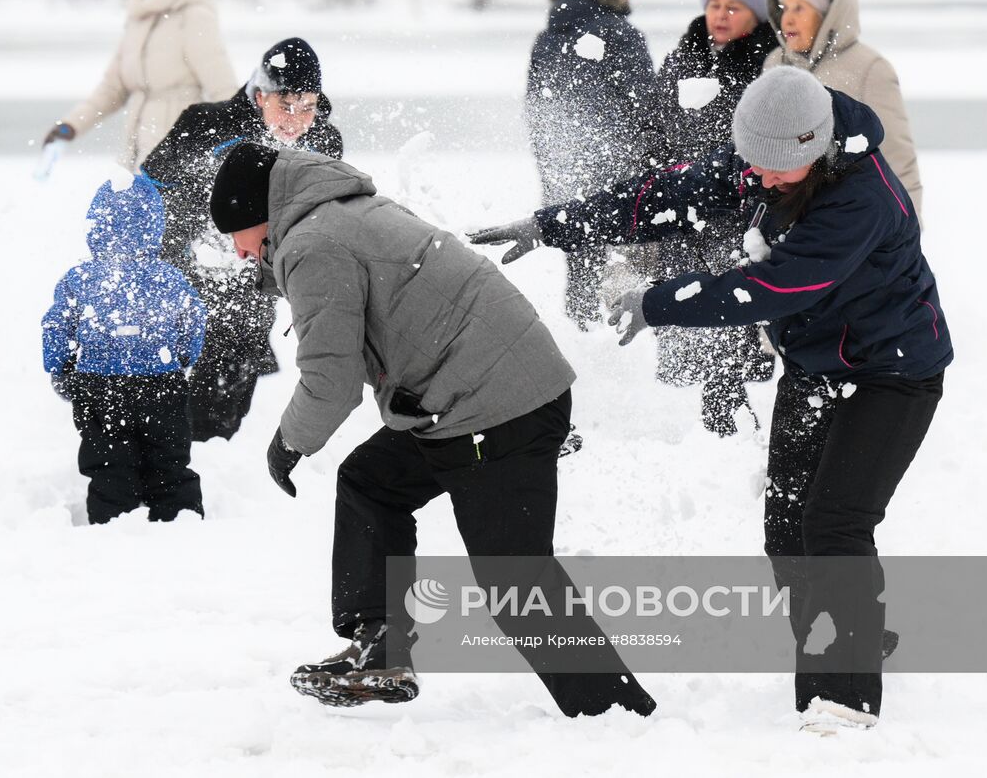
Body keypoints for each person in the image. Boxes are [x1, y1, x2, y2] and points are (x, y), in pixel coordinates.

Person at [470, 67, 951, 731]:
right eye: (754, 164)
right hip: (818, 364)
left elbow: (771, 288)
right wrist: (555, 225)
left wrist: (657, 302)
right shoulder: (773, 155)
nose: (760, 178)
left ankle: (842, 694)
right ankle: (851, 633)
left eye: (776, 170)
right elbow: (668, 195)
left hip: (894, 373)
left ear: (816, 150)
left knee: (835, 522)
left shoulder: (860, 198)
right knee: (787, 528)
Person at [208, 143, 657, 719]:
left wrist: (289, 441)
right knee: (372, 481)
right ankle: (381, 648)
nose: (240, 253)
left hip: (491, 408)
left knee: (515, 582)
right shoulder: (341, 210)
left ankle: (615, 715)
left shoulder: (311, 243)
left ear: (257, 216)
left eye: (237, 237)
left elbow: (333, 377)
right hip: (480, 396)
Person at [141, 37, 343, 443]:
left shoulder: (324, 142)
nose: (296, 120)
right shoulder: (206, 124)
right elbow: (148, 190)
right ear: (260, 94)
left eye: (308, 108)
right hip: (188, 267)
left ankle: (215, 454)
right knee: (178, 387)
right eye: (286, 106)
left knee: (235, 369)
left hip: (257, 276)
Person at [637, 0, 780, 436]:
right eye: (715, 4)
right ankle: (682, 433)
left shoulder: (770, 63)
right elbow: (653, 128)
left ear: (756, 13)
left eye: (734, 6)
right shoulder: (685, 55)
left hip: (739, 215)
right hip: (681, 212)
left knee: (732, 315)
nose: (721, 14)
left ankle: (732, 425)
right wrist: (662, 177)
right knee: (680, 312)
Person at [42, 172, 207, 524]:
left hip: (98, 385)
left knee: (108, 461)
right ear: (156, 226)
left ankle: (111, 520)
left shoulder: (80, 278)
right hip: (161, 383)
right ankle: (180, 519)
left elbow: (56, 325)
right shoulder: (170, 277)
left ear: (95, 225)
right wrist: (182, 356)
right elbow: (193, 320)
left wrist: (59, 367)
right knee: (169, 459)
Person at [525, 0, 655, 327]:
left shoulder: (549, 35)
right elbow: (645, 109)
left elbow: (539, 110)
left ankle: (581, 342)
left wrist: (552, 168)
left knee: (582, 270)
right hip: (618, 176)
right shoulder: (620, 34)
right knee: (625, 275)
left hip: (564, 173)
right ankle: (618, 359)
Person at [42, 0, 237, 172]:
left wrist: (241, 156)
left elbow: (225, 91)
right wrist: (70, 126)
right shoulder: (140, 17)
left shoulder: (193, 15)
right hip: (133, 157)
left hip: (176, 162)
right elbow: (113, 88)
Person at [764, 0, 924, 217]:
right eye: (784, 8)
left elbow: (898, 157)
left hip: (849, 220)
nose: (788, 19)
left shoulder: (869, 67)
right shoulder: (775, 64)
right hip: (784, 218)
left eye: (800, 8)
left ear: (828, 15)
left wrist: (906, 229)